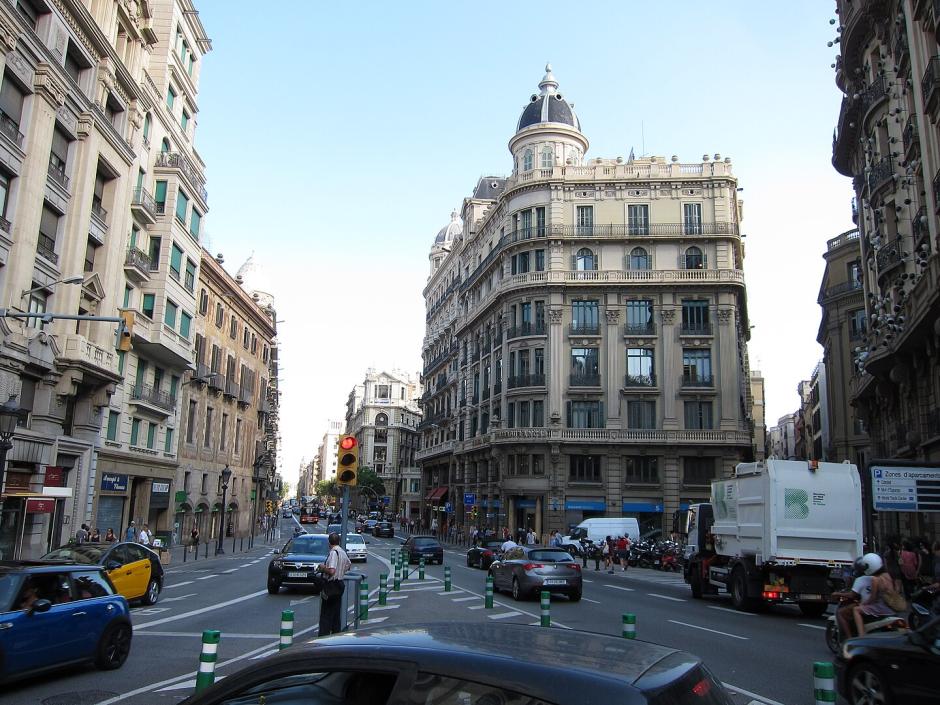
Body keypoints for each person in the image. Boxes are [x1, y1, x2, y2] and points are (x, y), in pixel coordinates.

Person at [317, 532, 351, 637]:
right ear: (339, 541)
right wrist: (341, 571)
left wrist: (322, 567)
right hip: (340, 584)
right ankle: (336, 635)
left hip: (331, 584)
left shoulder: (333, 552)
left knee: (326, 613)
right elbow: (348, 564)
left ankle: (324, 636)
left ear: (329, 542)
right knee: (336, 613)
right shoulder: (342, 552)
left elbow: (331, 571)